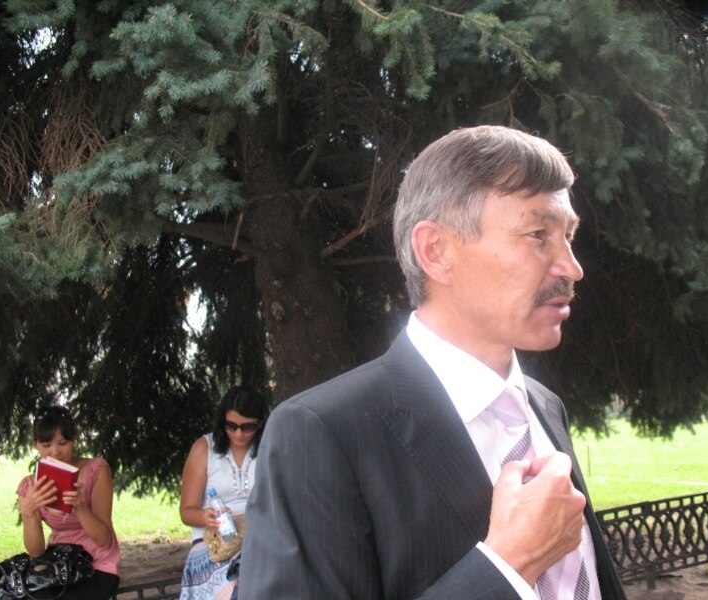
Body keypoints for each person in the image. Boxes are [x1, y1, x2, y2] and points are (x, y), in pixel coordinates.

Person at [240, 125, 626, 599]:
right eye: (537, 235)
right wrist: (508, 567)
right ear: (435, 251)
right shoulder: (320, 433)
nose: (572, 267)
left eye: (568, 236)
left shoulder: (544, 406)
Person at [17, 405, 121, 599]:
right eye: (46, 445)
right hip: (59, 566)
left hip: (98, 565)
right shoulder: (29, 486)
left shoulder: (96, 471)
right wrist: (28, 512)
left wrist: (79, 506)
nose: (55, 452)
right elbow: (36, 552)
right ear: (36, 445)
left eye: (62, 443)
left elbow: (103, 539)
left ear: (74, 440)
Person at [179, 386, 269, 599]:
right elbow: (186, 512)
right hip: (214, 544)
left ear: (260, 424)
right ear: (222, 422)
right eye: (231, 425)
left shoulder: (268, 447)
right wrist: (206, 517)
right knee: (242, 577)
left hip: (259, 538)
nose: (238, 433)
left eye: (248, 427)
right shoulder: (204, 448)